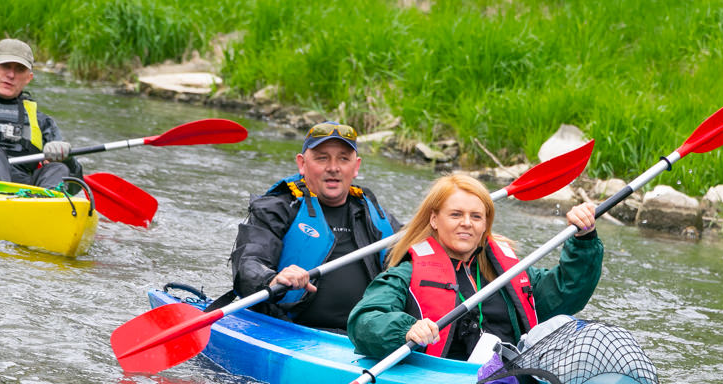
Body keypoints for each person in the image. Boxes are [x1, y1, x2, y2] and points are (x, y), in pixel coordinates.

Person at [347, 173, 603, 360]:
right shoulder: (407, 274)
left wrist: (584, 241)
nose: (467, 223)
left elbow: (566, 292)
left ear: (485, 225)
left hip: (509, 379)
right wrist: (406, 329)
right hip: (446, 383)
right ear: (434, 220)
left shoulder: (509, 274)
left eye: (476, 216)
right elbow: (364, 321)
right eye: (456, 215)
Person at [229, 120, 401, 331]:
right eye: (322, 158)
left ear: (355, 167)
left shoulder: (373, 214)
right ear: (302, 164)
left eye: (343, 159)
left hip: (364, 336)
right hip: (289, 329)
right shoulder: (277, 209)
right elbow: (249, 263)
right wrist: (273, 279)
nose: (333, 168)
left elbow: (415, 252)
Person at [0, 39, 82, 189]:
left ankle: (47, 207)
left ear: (29, 78)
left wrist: (67, 159)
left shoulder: (42, 122)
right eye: (5, 66)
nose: (11, 75)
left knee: (59, 169)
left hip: (25, 197)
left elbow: (75, 187)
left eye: (19, 69)